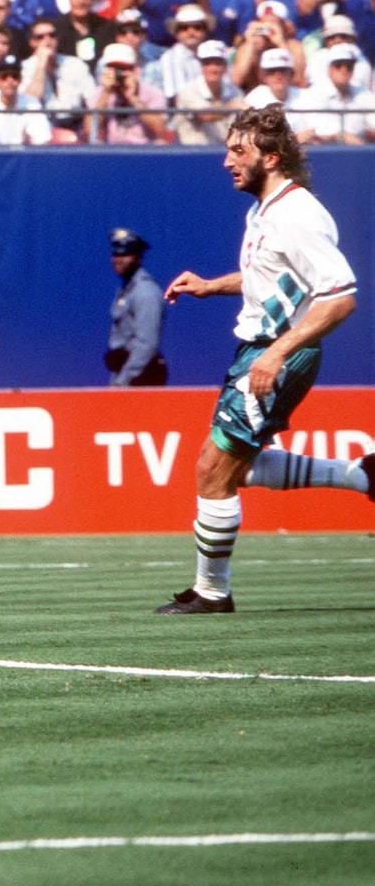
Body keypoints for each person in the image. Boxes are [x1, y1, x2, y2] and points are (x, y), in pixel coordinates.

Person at [155, 106, 368, 614]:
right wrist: (211, 286)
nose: (227, 160)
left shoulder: (297, 214)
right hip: (260, 350)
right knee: (235, 469)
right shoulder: (268, 209)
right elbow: (269, 279)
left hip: (278, 354)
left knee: (212, 469)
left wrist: (275, 354)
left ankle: (212, 592)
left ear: (271, 158)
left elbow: (340, 296)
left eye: (238, 151)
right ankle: (361, 476)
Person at [106, 228, 167, 386]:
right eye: (116, 254)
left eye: (125, 254)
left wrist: (122, 382)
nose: (118, 259)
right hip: (125, 373)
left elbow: (146, 343)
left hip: (141, 377)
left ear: (138, 257)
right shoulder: (126, 289)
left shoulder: (145, 291)